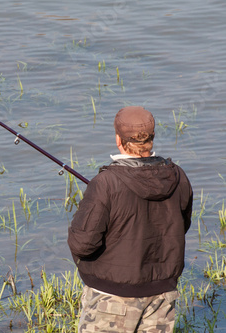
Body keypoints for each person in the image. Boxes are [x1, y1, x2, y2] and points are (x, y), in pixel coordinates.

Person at [67, 106, 193, 332]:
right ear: (151, 138)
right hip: (162, 295)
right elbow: (180, 227)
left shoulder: (105, 183)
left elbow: (83, 244)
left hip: (111, 297)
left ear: (119, 139)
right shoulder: (178, 176)